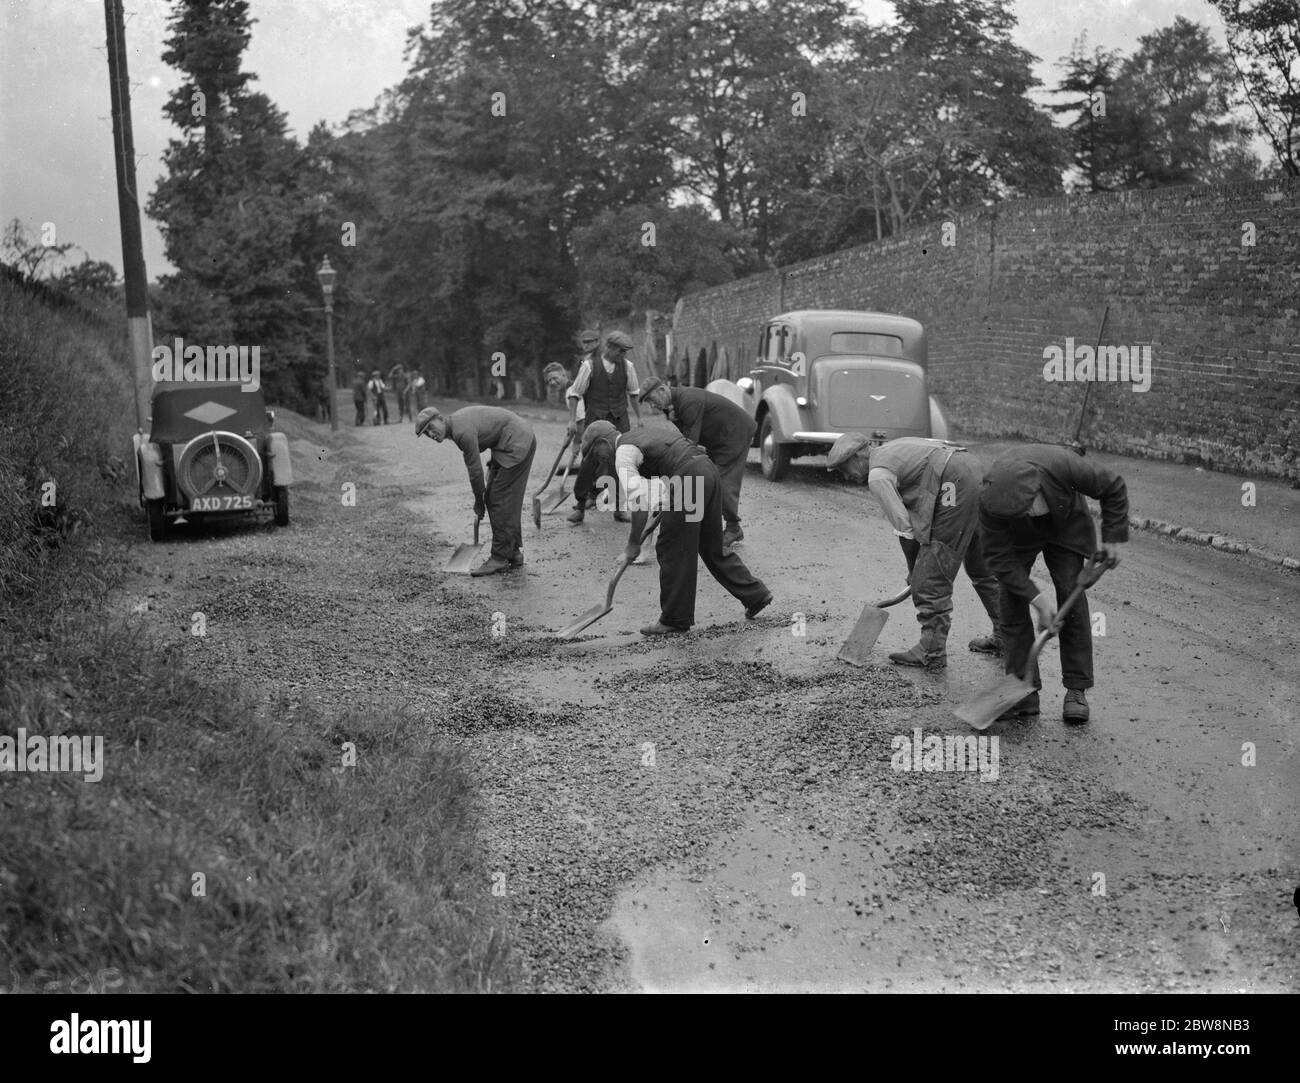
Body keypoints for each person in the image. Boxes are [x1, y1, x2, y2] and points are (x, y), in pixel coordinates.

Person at [978, 444, 1128, 724]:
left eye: (1024, 510)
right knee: (1010, 603)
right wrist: (1037, 600)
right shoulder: (990, 500)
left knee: (1071, 595)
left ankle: (1076, 689)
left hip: (1065, 524)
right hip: (1018, 538)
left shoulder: (1062, 464)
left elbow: (1113, 487)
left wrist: (1113, 537)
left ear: (1036, 491)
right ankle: (1024, 692)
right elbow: (999, 558)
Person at [827, 434, 1003, 671]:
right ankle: (1007, 636)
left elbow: (905, 530)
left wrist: (915, 571)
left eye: (844, 468)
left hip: (953, 479)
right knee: (982, 566)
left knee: (931, 575)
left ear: (859, 455)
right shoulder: (894, 449)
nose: (846, 476)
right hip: (973, 467)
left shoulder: (877, 475)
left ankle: (931, 651)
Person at [616, 425, 771, 635]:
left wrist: (633, 545)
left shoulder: (623, 454)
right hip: (706, 469)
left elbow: (639, 500)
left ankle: (674, 619)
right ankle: (755, 594)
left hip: (689, 477)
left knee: (672, 547)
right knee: (711, 545)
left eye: (595, 455)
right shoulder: (647, 433)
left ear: (603, 444)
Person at [415, 404, 537, 577]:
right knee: (497, 498)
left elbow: (475, 471)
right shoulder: (456, 425)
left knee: (499, 500)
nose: (431, 435)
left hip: (518, 442)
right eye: (426, 434)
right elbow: (489, 432)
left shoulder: (461, 432)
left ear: (441, 419)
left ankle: (499, 557)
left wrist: (479, 502)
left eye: (431, 428)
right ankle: (513, 552)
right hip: (506, 441)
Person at [640, 377, 755, 552]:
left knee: (723, 482)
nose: (652, 406)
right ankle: (708, 526)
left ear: (662, 390)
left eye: (651, 400)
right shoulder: (675, 406)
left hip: (734, 434)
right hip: (719, 438)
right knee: (706, 478)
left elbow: (690, 444)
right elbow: (687, 440)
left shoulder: (688, 401)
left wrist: (676, 470)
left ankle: (733, 529)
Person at [567, 331, 642, 438]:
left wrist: (639, 418)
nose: (623, 355)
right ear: (609, 347)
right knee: (593, 451)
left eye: (625, 352)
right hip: (595, 420)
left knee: (624, 450)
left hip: (620, 421)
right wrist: (572, 421)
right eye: (620, 351)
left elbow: (634, 394)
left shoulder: (628, 366)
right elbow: (574, 394)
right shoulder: (589, 365)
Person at [564, 420, 628, 524]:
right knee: (586, 472)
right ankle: (580, 510)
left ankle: (619, 511)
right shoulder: (592, 449)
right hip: (593, 434)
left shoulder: (623, 449)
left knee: (617, 474)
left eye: (604, 459)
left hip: (610, 433)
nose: (603, 462)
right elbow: (583, 476)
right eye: (601, 459)